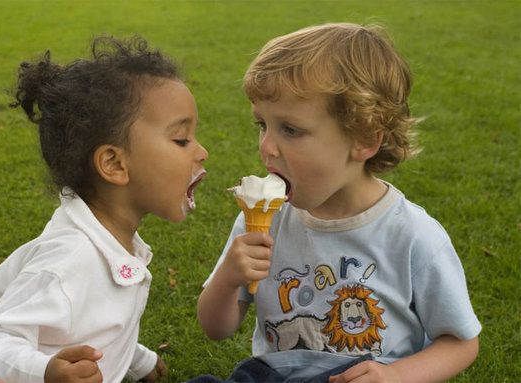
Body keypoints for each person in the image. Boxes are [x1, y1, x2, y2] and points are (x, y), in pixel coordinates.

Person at [196, 23, 480, 382]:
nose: (267, 146)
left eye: (290, 130)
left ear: (363, 140)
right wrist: (226, 279)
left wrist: (397, 376)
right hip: (273, 374)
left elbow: (461, 342)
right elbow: (216, 328)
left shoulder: (412, 236)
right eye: (262, 125)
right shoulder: (268, 221)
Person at [0, 35, 208, 383]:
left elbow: (97, 318)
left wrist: (136, 359)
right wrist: (46, 372)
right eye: (181, 140)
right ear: (114, 164)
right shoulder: (69, 260)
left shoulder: (113, 242)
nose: (201, 151)